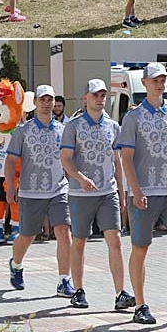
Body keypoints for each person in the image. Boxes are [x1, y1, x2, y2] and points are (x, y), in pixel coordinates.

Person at [119, 63, 167, 326]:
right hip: (144, 192)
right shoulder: (133, 118)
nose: (159, 83)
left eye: (162, 79)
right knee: (141, 248)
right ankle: (140, 305)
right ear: (144, 83)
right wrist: (136, 190)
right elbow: (126, 158)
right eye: (154, 79)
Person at [60, 79, 135, 310]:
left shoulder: (113, 126)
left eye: (103, 95)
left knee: (115, 240)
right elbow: (65, 159)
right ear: (85, 98)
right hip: (80, 194)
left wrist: (122, 192)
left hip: (107, 192)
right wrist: (80, 178)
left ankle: (120, 293)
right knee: (80, 241)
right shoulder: (73, 126)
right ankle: (79, 290)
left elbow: (118, 160)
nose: (100, 99)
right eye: (95, 95)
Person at [5, 84, 74, 297]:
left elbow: (70, 160)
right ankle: (16, 264)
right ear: (35, 103)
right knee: (28, 235)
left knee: (63, 231)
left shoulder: (64, 130)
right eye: (42, 99)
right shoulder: (23, 131)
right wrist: (10, 186)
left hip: (58, 189)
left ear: (54, 103)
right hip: (30, 190)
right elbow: (10, 160)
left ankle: (64, 280)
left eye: (50, 100)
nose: (46, 104)